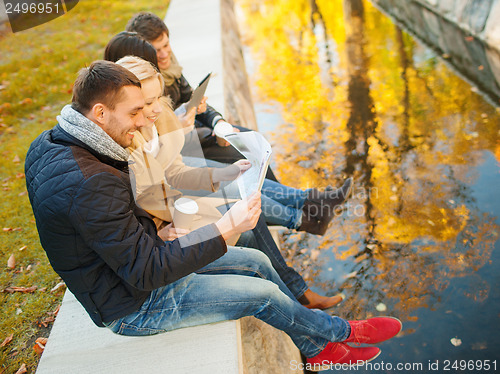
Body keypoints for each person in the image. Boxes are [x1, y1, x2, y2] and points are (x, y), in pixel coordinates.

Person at [25, 60, 402, 369]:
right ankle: (339, 332)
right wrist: (224, 228)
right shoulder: (89, 180)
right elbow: (146, 271)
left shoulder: (55, 142)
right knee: (261, 295)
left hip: (135, 266)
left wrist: (161, 232)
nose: (144, 120)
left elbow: (109, 231)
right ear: (100, 112)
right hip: (132, 305)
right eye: (135, 111)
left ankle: (315, 346)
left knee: (255, 260)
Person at [114, 55, 345, 309]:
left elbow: (175, 172)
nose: (158, 106)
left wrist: (221, 175)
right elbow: (140, 206)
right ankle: (298, 283)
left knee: (243, 196)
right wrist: (161, 232)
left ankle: (298, 286)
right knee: (244, 219)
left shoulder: (159, 117)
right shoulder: (128, 142)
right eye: (149, 102)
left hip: (180, 207)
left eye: (159, 97)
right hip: (169, 228)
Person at [104, 31, 354, 236]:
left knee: (243, 158)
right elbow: (160, 179)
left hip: (178, 163)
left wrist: (214, 122)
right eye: (155, 53)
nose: (164, 55)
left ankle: (312, 202)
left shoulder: (167, 79)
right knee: (237, 189)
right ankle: (303, 216)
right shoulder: (130, 130)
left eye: (166, 46)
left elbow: (175, 142)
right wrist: (183, 127)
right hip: (174, 195)